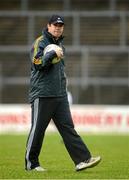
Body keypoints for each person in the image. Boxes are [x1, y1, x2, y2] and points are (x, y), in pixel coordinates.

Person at [25, 14, 101, 172]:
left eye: (60, 26)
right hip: (43, 94)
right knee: (38, 130)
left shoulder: (60, 45)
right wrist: (52, 54)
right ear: (48, 26)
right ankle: (32, 164)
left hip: (60, 94)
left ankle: (82, 160)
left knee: (68, 128)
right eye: (55, 25)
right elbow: (37, 63)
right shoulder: (41, 42)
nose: (58, 28)